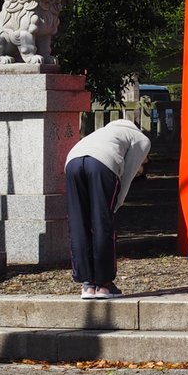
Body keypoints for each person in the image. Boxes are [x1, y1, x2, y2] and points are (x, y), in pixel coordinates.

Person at [64, 117, 151, 299]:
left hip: (72, 162)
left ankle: (87, 284)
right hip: (102, 164)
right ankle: (104, 285)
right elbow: (126, 177)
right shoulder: (141, 140)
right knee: (102, 223)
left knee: (79, 222)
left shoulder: (103, 133)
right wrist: (115, 205)